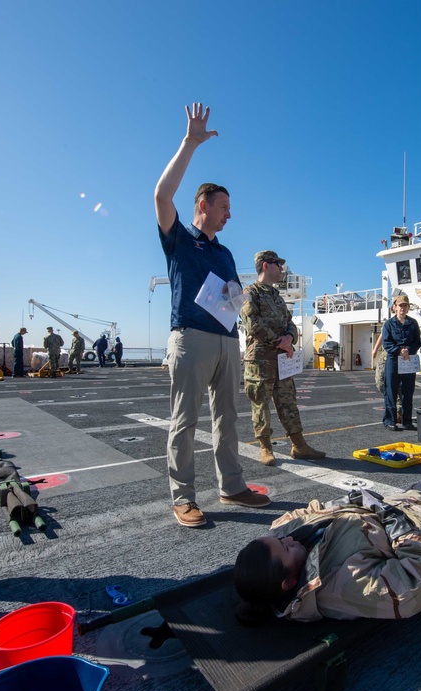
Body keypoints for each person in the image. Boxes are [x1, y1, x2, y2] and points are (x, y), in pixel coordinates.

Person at [233, 455, 421, 623]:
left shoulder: (281, 540)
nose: (288, 540)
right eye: (286, 548)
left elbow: (298, 516)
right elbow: (411, 588)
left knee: (420, 491)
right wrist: (399, 529)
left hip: (377, 514)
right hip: (418, 536)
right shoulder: (339, 587)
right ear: (290, 582)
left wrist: (344, 503)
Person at [154, 102, 270, 528]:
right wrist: (190, 143)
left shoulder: (224, 251)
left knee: (228, 417)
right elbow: (161, 195)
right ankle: (183, 497)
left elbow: (232, 297)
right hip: (191, 338)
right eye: (224, 206)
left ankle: (231, 485)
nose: (229, 213)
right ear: (203, 203)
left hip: (226, 340)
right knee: (185, 420)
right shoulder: (180, 238)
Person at [242, 250, 325, 466]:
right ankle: (265, 447)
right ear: (266, 266)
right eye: (278, 264)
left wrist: (289, 337)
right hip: (260, 360)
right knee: (261, 403)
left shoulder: (277, 297)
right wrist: (280, 341)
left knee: (288, 401)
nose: (282, 268)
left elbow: (290, 323)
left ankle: (299, 445)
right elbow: (253, 324)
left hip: (282, 359)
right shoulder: (250, 293)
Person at [382, 294, 421, 431]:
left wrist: (408, 350)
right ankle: (390, 420)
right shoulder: (389, 324)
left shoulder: (413, 323)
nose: (402, 308)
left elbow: (417, 341)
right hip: (394, 360)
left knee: (408, 391)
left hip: (408, 361)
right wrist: (399, 350)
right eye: (400, 305)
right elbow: (386, 343)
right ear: (394, 307)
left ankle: (407, 421)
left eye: (405, 305)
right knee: (391, 391)